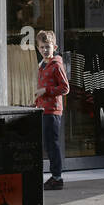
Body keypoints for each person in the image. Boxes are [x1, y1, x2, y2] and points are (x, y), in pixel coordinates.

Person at [35, 30, 70, 190]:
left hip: (53, 111)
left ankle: (57, 177)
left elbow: (65, 88)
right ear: (38, 48)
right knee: (47, 144)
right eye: (42, 47)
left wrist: (46, 91)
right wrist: (36, 102)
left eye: (47, 47)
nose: (45, 50)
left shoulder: (56, 65)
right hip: (43, 109)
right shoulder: (42, 65)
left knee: (52, 144)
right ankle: (54, 176)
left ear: (54, 47)